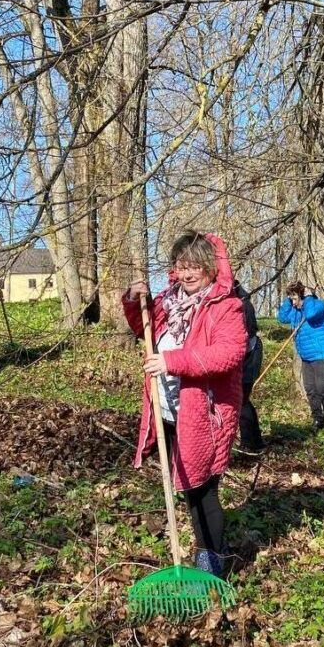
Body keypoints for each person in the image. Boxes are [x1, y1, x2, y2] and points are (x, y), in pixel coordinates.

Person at [122, 231, 246, 576]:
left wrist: (172, 361)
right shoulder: (169, 301)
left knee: (201, 489)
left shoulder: (225, 306)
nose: (187, 273)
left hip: (205, 414)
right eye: (181, 266)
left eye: (195, 266)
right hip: (169, 411)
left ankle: (212, 564)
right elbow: (145, 328)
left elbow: (228, 353)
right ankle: (205, 553)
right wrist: (134, 300)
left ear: (210, 266)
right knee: (189, 484)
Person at [278, 281, 324, 433]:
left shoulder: (318, 305)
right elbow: (282, 317)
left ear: (302, 296)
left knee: (323, 387)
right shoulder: (295, 311)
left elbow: (311, 315)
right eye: (291, 299)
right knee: (311, 389)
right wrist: (289, 299)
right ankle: (318, 419)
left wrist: (308, 297)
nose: (293, 302)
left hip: (322, 353)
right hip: (307, 356)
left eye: (294, 298)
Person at [234, 280, 264, 453]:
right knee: (242, 400)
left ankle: (249, 443)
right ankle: (256, 441)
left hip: (249, 358)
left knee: (241, 400)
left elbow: (248, 333)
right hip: (242, 358)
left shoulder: (244, 305)